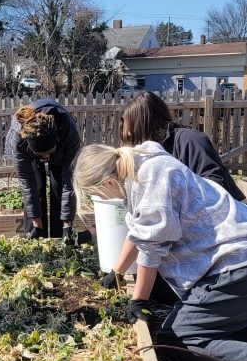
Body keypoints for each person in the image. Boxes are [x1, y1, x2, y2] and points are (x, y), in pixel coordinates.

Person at [73, 141, 247, 361]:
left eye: (97, 193)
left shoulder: (149, 183)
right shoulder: (142, 163)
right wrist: (117, 272)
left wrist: (139, 301)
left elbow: (149, 251)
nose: (102, 198)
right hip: (237, 257)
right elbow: (139, 231)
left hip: (234, 265)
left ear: (107, 182)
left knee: (177, 338)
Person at [101, 91, 245, 288]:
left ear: (141, 124)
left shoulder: (189, 141)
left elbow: (213, 187)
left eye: (126, 126)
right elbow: (145, 225)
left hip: (224, 247)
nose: (124, 133)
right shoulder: (147, 158)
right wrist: (117, 272)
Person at [4, 100, 90, 242]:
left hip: (61, 153)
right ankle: (35, 234)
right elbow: (27, 183)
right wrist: (36, 225)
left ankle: (61, 235)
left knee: (59, 185)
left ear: (56, 140)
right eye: (41, 154)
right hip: (30, 152)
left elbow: (68, 181)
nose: (46, 158)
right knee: (37, 186)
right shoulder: (19, 137)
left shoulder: (68, 132)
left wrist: (67, 224)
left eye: (49, 152)